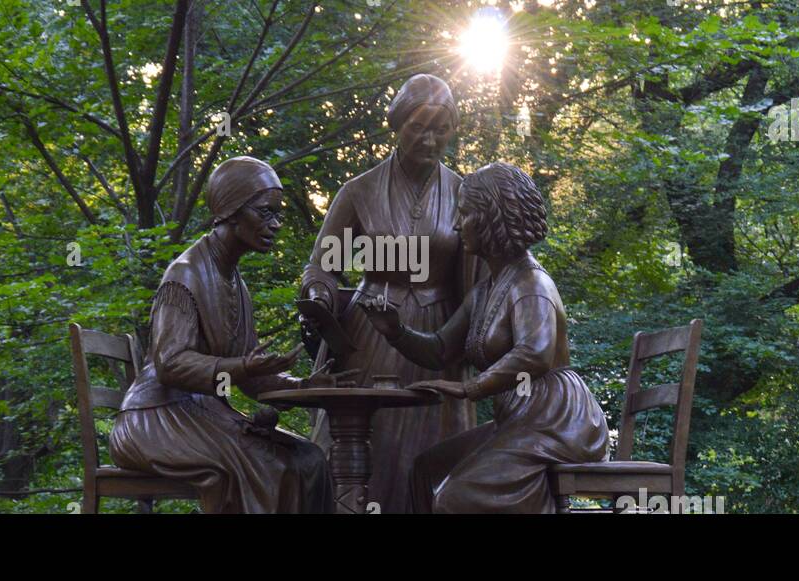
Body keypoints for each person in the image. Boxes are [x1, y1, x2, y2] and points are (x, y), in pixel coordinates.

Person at [358, 162, 608, 513]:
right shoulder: (485, 290)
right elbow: (441, 348)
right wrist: (395, 331)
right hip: (520, 420)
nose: (457, 225)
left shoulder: (530, 284)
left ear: (493, 217)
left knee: (455, 496)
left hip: (557, 421)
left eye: (465, 214)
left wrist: (470, 389)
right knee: (426, 470)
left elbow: (535, 354)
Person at [110, 156, 353, 514]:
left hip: (199, 411)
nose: (276, 224)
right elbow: (170, 363)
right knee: (269, 466)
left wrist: (306, 386)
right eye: (265, 212)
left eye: (279, 214)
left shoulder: (236, 283)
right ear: (232, 211)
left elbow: (252, 378)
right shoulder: (186, 275)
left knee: (309, 459)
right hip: (155, 418)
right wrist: (242, 366)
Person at [299, 74, 487, 513]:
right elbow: (322, 266)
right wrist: (319, 296)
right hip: (372, 333)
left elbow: (477, 282)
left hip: (440, 334)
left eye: (441, 129)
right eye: (418, 127)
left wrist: (472, 339)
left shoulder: (462, 193)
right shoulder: (359, 192)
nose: (429, 139)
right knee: (363, 448)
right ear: (397, 126)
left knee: (434, 456)